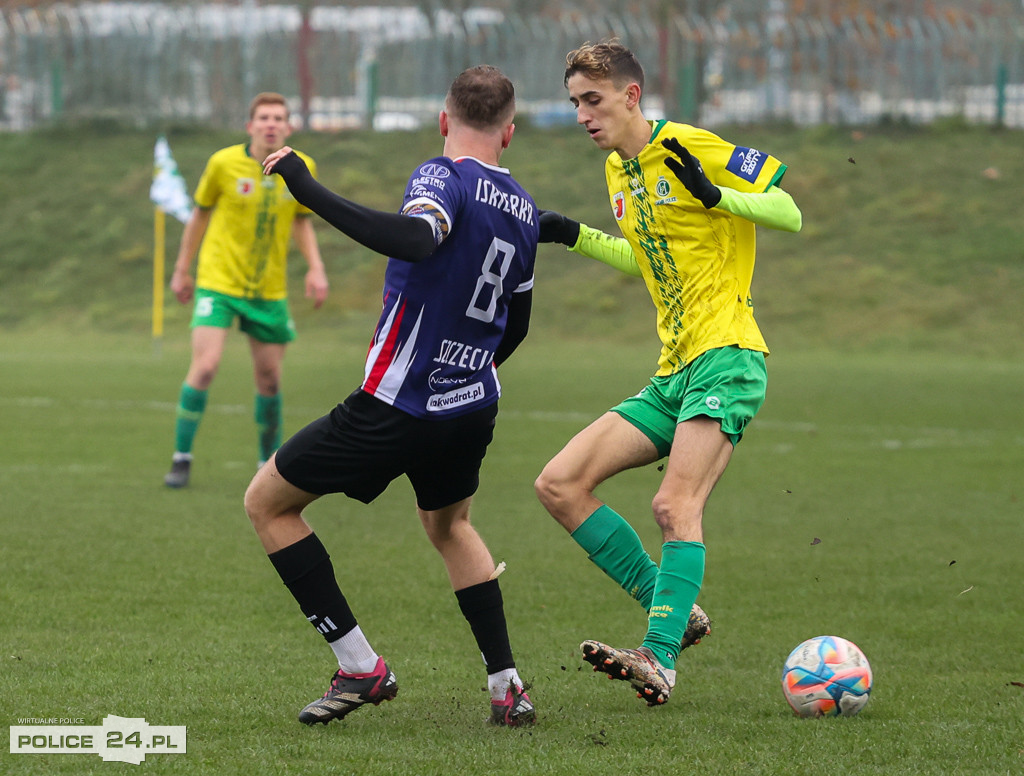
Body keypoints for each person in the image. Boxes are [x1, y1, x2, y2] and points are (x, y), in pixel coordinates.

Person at [243, 65, 538, 728]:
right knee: (451, 526)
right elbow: (514, 326)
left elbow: (416, 236)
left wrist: (307, 188)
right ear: (509, 133)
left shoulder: (442, 174)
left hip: (397, 402)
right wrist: (465, 373)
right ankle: (507, 687)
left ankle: (360, 666)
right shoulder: (524, 212)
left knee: (268, 504)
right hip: (471, 403)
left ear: (443, 120)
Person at [535, 40, 802, 707]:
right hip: (674, 371)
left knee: (673, 506)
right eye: (574, 103)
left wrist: (720, 197)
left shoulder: (691, 146)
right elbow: (646, 262)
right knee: (560, 484)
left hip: (729, 356)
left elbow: (790, 211)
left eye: (591, 101)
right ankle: (672, 607)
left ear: (631, 96)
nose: (582, 116)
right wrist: (573, 234)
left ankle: (660, 660)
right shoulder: (618, 172)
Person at [163, 92, 329, 488]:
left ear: (289, 127)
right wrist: (182, 270)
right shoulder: (223, 163)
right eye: (263, 118)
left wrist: (316, 268)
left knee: (269, 379)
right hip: (218, 282)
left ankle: (265, 466)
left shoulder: (303, 167)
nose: (271, 124)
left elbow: (303, 221)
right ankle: (181, 458)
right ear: (250, 126)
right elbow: (199, 216)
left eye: (278, 118)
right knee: (205, 366)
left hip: (267, 289)